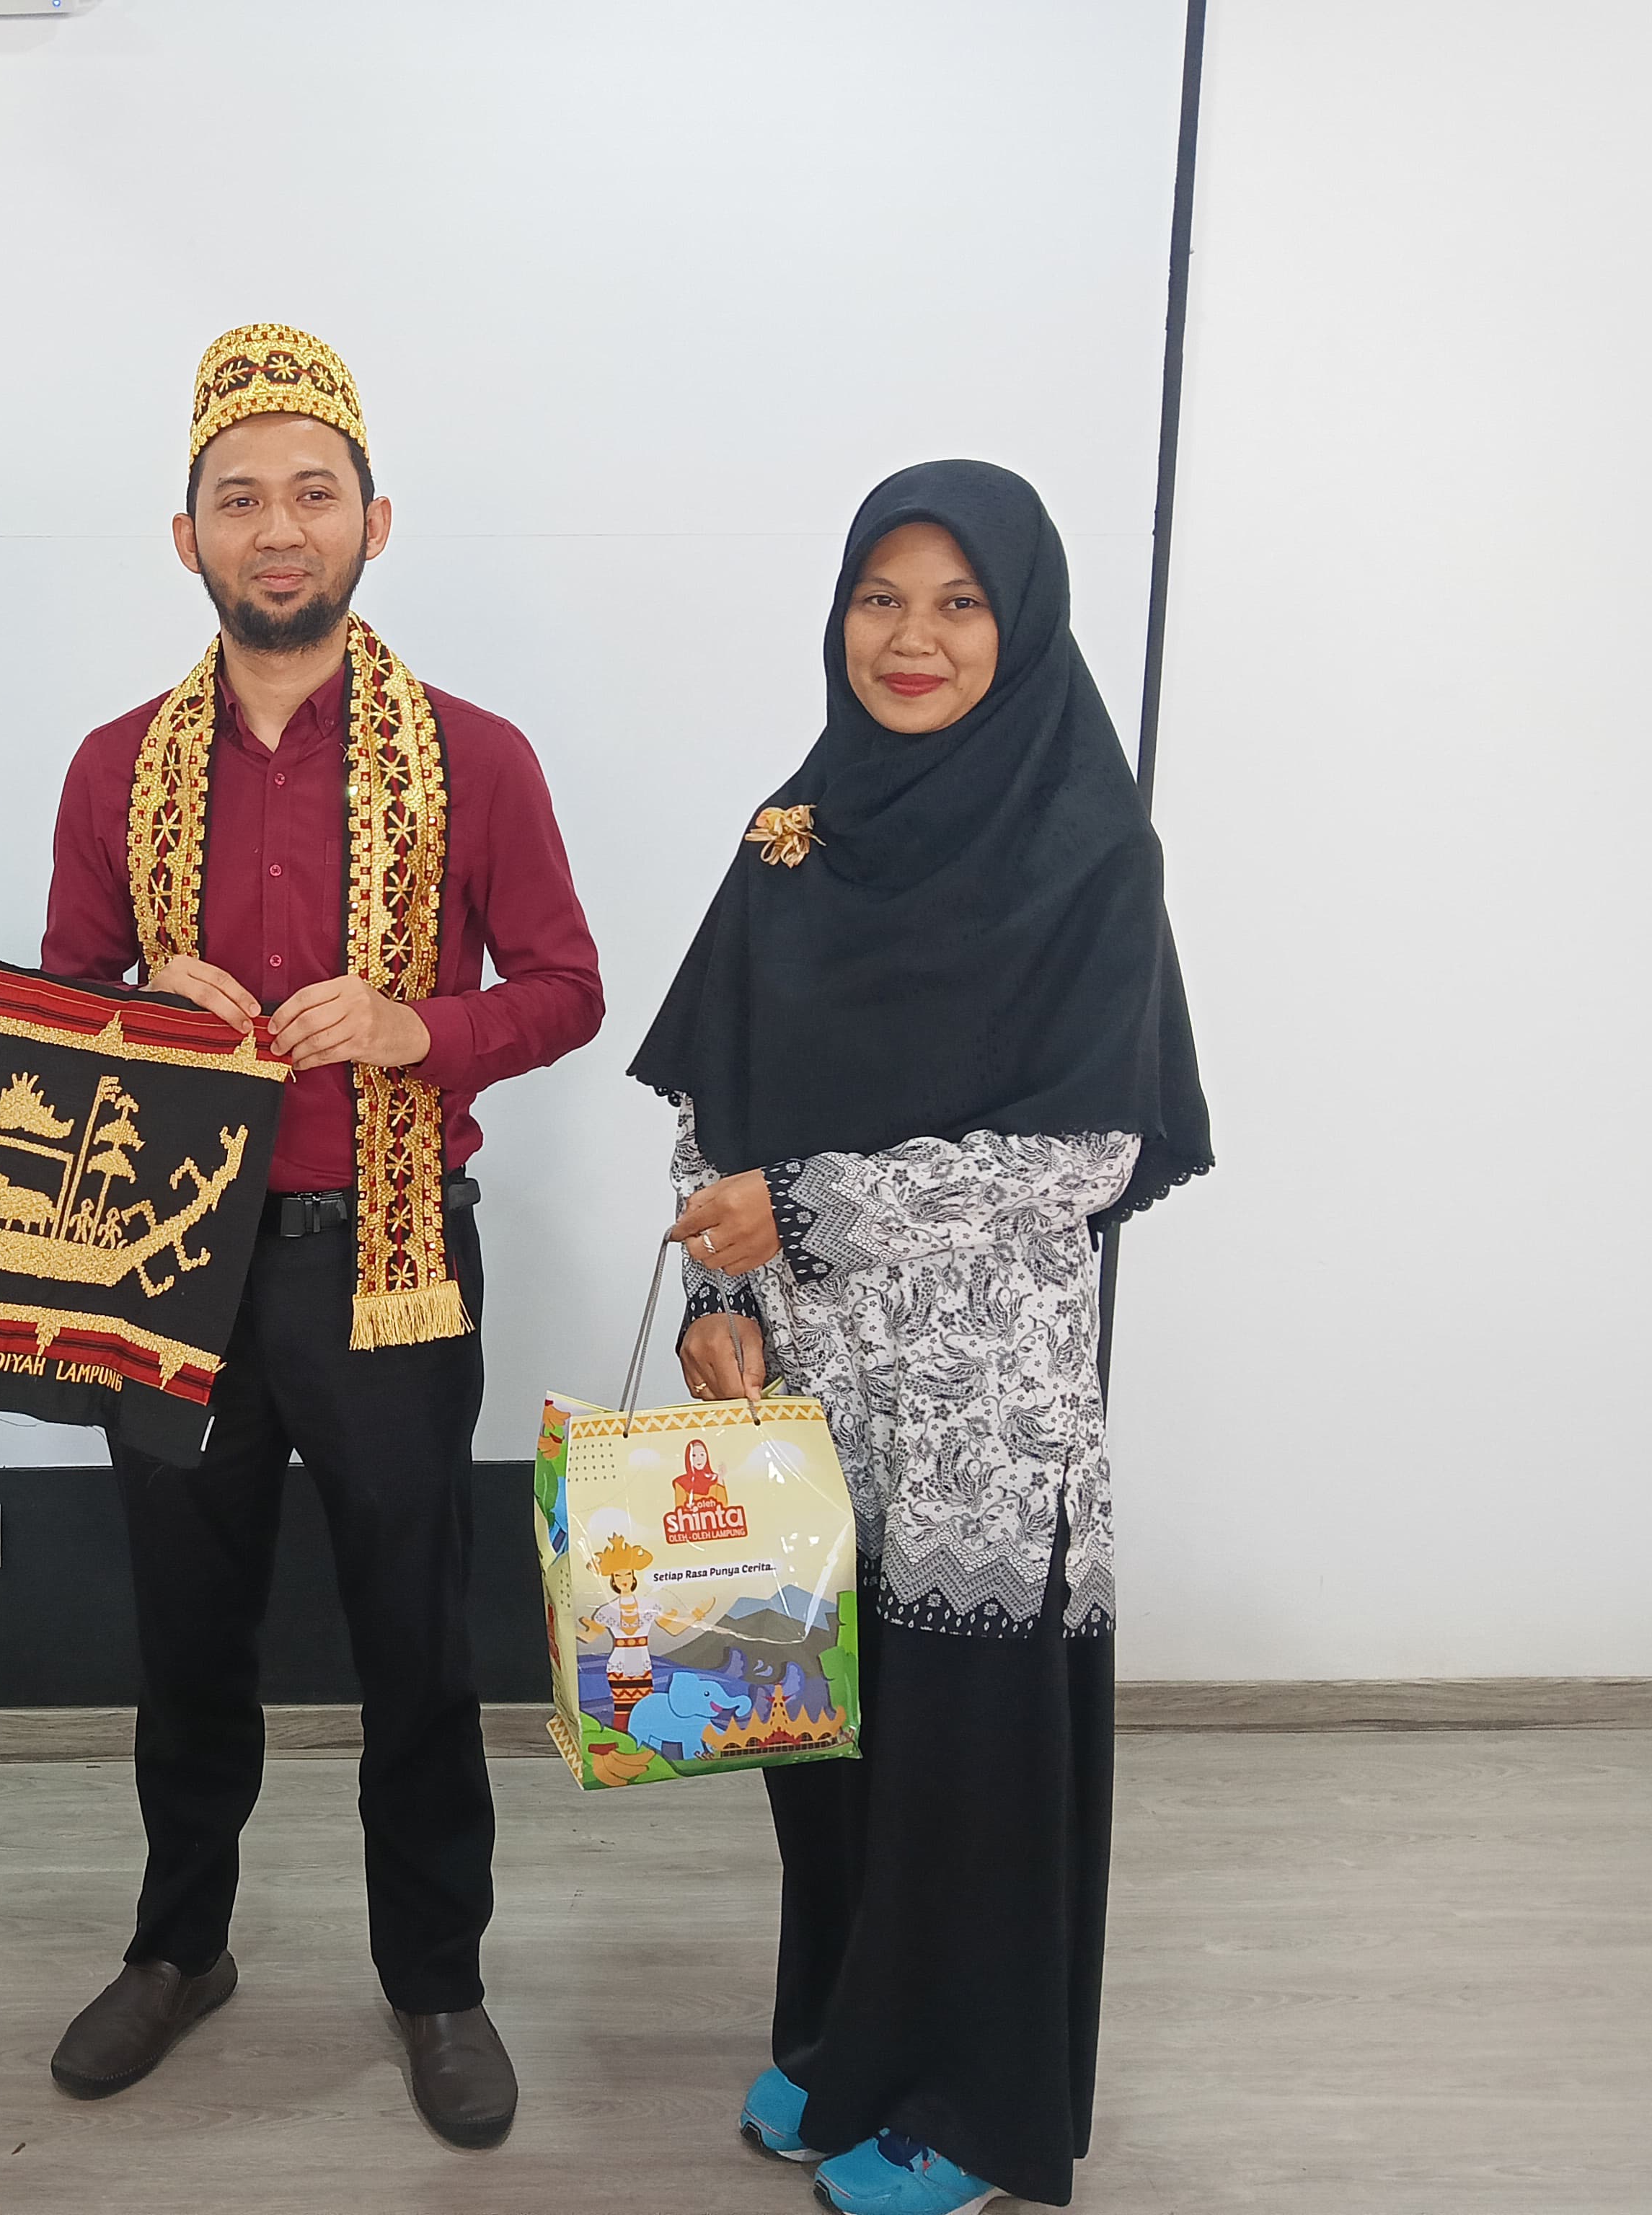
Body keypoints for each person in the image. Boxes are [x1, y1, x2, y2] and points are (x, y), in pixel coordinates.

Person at [38, 323, 604, 2149]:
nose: (276, 529)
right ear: (185, 535)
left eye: (311, 494)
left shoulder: (477, 759)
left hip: (391, 1259)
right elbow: (57, 1003)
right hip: (170, 1264)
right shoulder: (115, 768)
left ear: (375, 520)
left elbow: (569, 987)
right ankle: (178, 1948)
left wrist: (416, 1028)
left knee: (414, 1638)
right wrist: (142, 1007)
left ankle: (436, 1979)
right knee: (187, 1630)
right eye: (239, 498)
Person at [627, 459, 1211, 2214]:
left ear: (1021, 624)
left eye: (959, 603)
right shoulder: (796, 835)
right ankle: (845, 2046)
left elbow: (1082, 1156)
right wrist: (723, 1297)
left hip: (980, 1422)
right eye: (881, 597)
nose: (913, 637)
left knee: (963, 1769)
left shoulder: (1090, 853)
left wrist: (803, 1215)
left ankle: (968, 2107)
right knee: (823, 1750)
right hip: (808, 1398)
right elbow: (715, 1103)